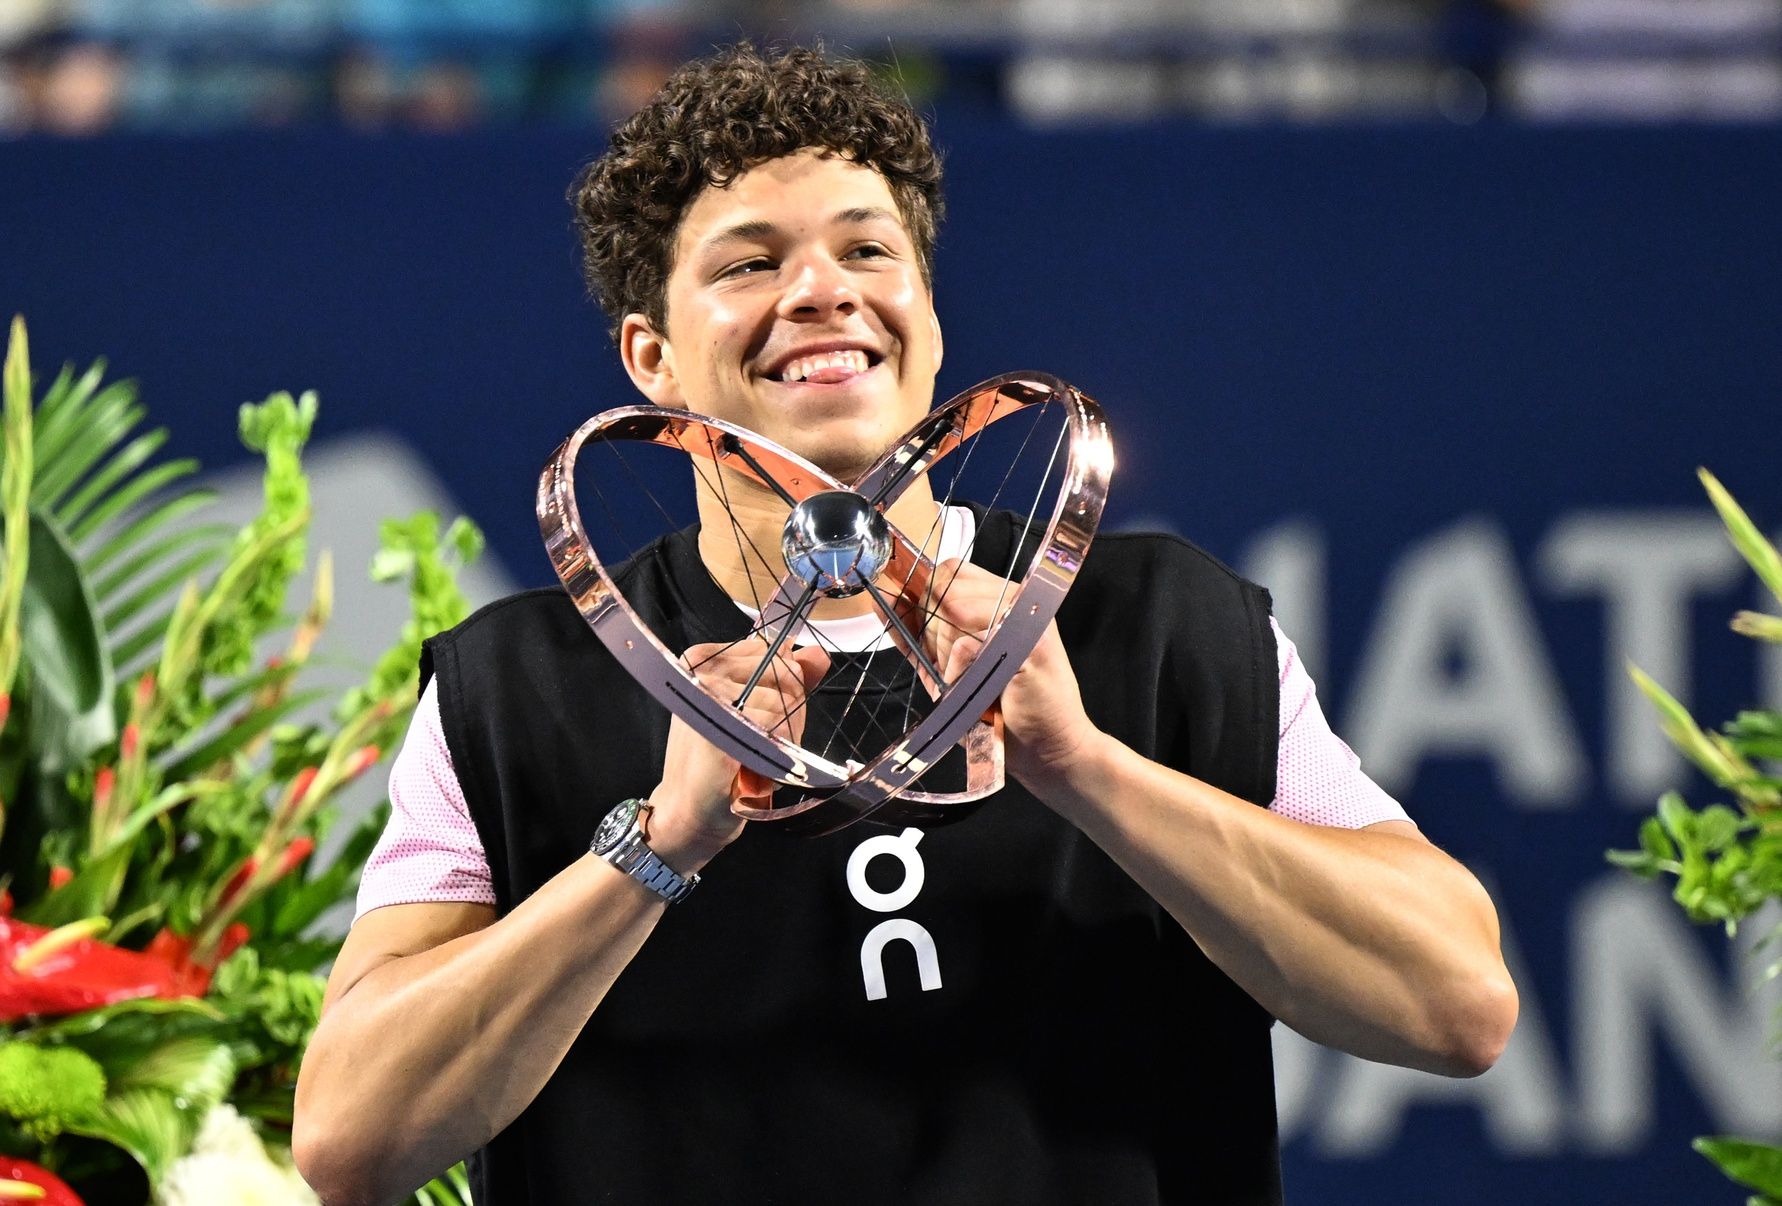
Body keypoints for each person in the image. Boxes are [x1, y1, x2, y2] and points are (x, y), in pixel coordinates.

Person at [292, 44, 1517, 1206]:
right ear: (651, 358)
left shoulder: (1166, 623)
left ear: (926, 312)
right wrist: (655, 849)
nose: (821, 292)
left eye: (866, 251)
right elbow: (351, 1141)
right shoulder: (516, 689)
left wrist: (1086, 771)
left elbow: (1460, 1003)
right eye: (748, 264)